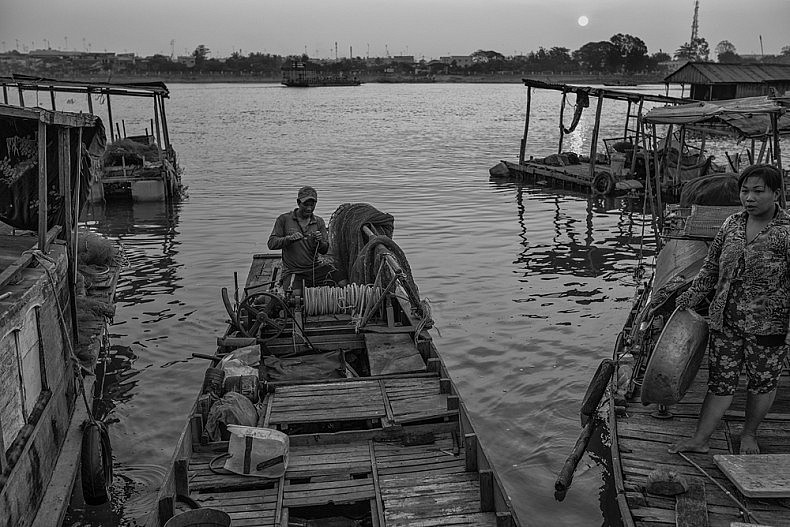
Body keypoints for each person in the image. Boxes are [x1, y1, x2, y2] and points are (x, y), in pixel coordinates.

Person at [669, 164, 790, 455]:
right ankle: (700, 440)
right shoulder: (732, 224)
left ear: (776, 193)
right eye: (745, 191)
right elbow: (710, 269)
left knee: (761, 383)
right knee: (720, 381)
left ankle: (749, 434)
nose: (749, 197)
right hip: (725, 320)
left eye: (758, 191)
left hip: (768, 325)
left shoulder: (786, 233)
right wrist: (690, 295)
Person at [267, 186, 346, 297]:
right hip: (294, 271)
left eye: (312, 205)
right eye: (306, 205)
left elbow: (324, 250)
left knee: (343, 282)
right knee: (296, 297)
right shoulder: (284, 219)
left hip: (315, 269)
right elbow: (271, 244)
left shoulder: (319, 222)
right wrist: (288, 239)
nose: (309, 208)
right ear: (298, 203)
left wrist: (319, 242)